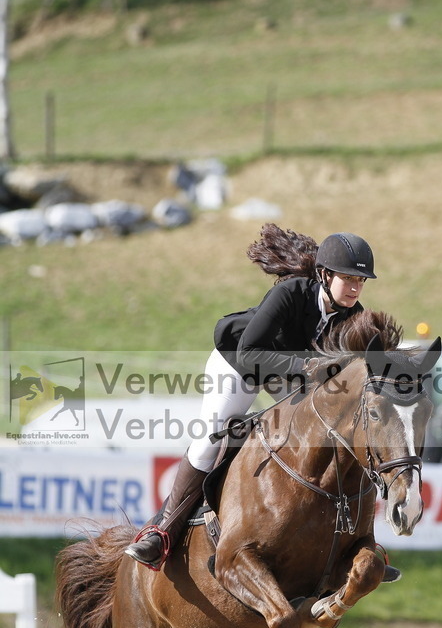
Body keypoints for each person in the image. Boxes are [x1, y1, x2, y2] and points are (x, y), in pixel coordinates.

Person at [125, 225, 376, 570]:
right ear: (324, 275)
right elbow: (248, 354)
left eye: (360, 282)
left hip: (286, 376)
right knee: (210, 438)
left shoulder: (353, 315)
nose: (354, 288)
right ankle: (162, 532)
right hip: (238, 364)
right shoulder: (290, 293)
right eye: (348, 279)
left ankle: (357, 547)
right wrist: (307, 364)